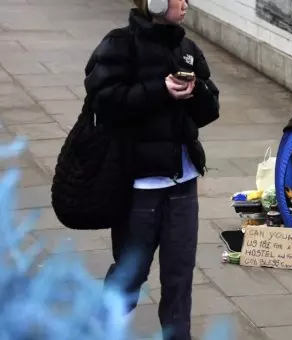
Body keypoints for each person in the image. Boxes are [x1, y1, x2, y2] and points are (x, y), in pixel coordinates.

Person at [82, 0, 220, 338]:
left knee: (179, 275)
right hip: (138, 188)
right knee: (131, 273)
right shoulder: (119, 44)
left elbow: (210, 108)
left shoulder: (186, 48)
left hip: (182, 184)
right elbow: (104, 101)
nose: (186, 4)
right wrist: (159, 91)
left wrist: (194, 92)